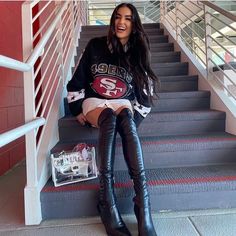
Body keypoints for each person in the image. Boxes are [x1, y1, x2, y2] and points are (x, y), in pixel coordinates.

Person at [67, 3, 159, 236]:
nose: (121, 22)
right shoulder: (95, 45)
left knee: (126, 118)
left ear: (134, 24)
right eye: (118, 17)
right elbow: (77, 79)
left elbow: (145, 95)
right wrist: (77, 109)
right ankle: (107, 201)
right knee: (108, 117)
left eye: (128, 19)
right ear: (112, 20)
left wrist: (131, 126)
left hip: (123, 104)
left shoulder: (138, 51)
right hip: (95, 102)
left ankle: (143, 205)